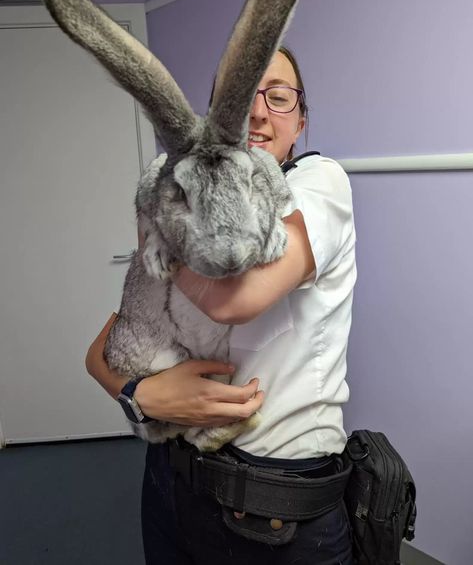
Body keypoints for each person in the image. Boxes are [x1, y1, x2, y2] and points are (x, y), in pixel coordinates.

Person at [86, 46, 357, 565]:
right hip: (171, 477)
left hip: (273, 504)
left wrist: (159, 215)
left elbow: (236, 300)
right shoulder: (182, 191)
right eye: (239, 99)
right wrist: (143, 396)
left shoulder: (318, 184)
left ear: (299, 122)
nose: (257, 112)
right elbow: (103, 351)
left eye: (278, 98)